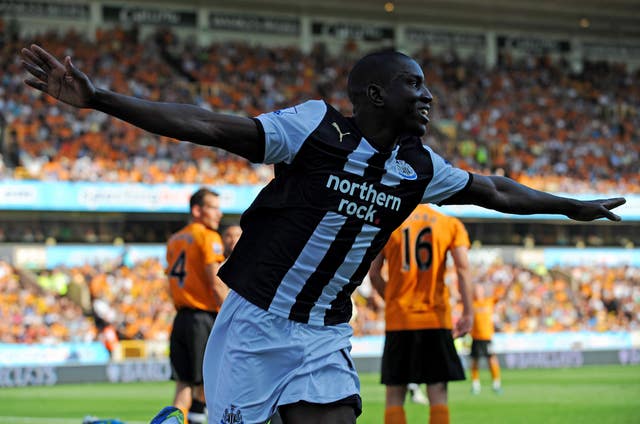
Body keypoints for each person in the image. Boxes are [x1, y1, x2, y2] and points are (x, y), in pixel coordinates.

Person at [20, 45, 625, 424]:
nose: (427, 94)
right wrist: (99, 98)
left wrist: (571, 206)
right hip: (254, 324)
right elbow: (210, 125)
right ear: (373, 94)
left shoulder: (418, 167)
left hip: (324, 330)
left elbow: (494, 190)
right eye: (412, 84)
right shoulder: (315, 128)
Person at [369, 204, 473, 424]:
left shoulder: (389, 221)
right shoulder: (449, 223)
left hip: (400, 320)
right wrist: (468, 312)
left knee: (395, 394)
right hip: (435, 318)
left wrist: (393, 298)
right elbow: (463, 268)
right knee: (438, 393)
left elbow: (374, 273)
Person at [165, 188, 227, 424]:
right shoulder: (209, 237)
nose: (219, 214)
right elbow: (216, 282)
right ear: (197, 210)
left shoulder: (174, 240)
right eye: (214, 207)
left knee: (183, 385)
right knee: (206, 383)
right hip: (203, 317)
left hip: (181, 318)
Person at [469, 283, 502, 395]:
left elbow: (501, 295)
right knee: (474, 361)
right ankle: (475, 385)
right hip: (475, 337)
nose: (477, 292)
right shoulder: (472, 303)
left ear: (483, 291)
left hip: (487, 337)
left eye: (479, 290)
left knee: (492, 359)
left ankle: (496, 383)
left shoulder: (489, 301)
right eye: (476, 290)